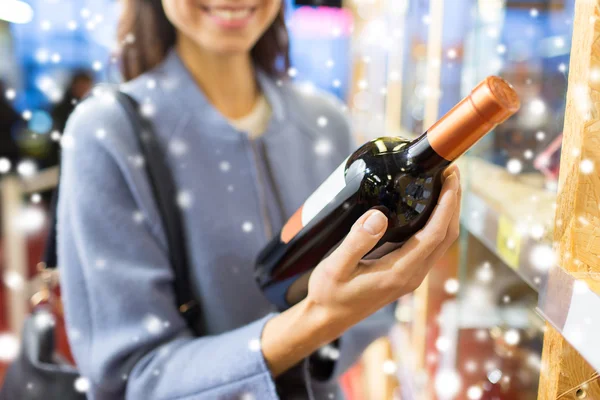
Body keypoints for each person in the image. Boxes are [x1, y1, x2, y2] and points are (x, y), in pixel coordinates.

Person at [57, 0, 461, 399]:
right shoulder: (106, 133)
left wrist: (369, 297)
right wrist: (317, 321)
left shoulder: (325, 120)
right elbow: (132, 378)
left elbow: (368, 307)